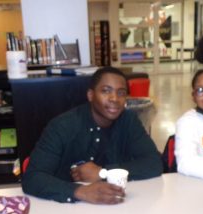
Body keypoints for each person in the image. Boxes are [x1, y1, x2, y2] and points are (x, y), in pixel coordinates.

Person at [22, 66, 163, 204]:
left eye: (121, 93)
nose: (114, 98)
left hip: (116, 205)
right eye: (106, 91)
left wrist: (103, 173)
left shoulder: (129, 120)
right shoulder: (63, 126)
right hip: (67, 211)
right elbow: (32, 178)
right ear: (91, 95)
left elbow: (154, 163)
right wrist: (81, 191)